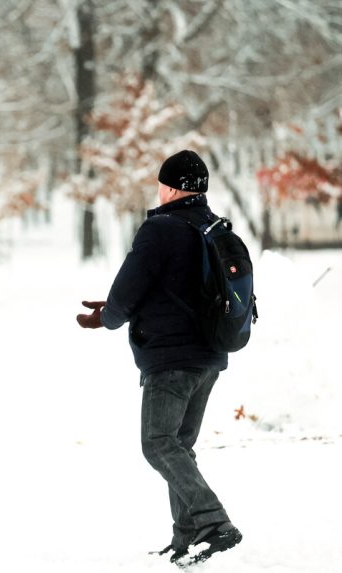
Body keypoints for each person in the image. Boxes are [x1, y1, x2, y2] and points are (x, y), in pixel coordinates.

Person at [76, 150, 243, 565]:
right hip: (209, 355)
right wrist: (116, 309)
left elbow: (128, 288)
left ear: (169, 188)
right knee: (179, 445)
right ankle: (186, 536)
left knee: (157, 443)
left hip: (171, 358)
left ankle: (214, 522)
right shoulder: (211, 226)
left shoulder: (161, 229)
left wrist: (106, 318)